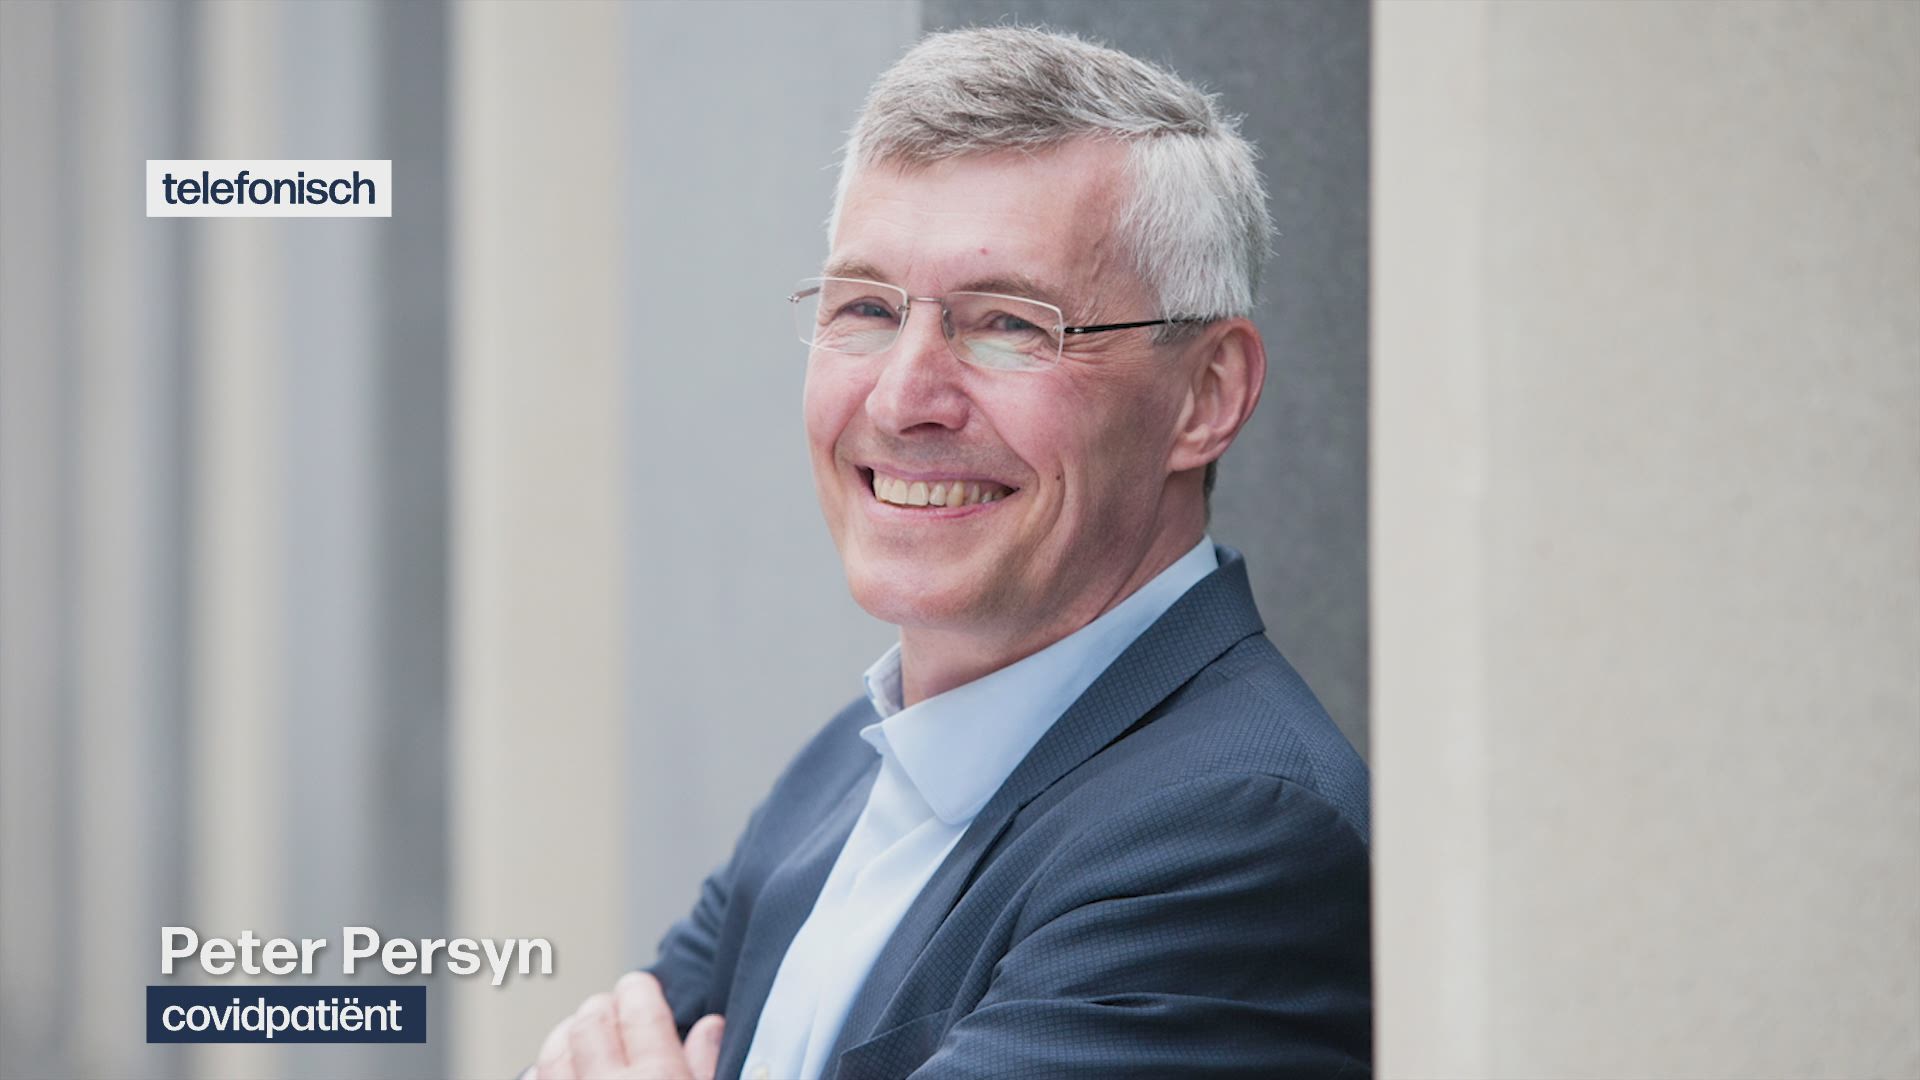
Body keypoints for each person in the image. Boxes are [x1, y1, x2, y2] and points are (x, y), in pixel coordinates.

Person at [526, 25, 1370, 1080]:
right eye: (867, 309)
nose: (901, 399)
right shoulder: (848, 764)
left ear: (1206, 395)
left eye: (1009, 323)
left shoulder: (1233, 838)